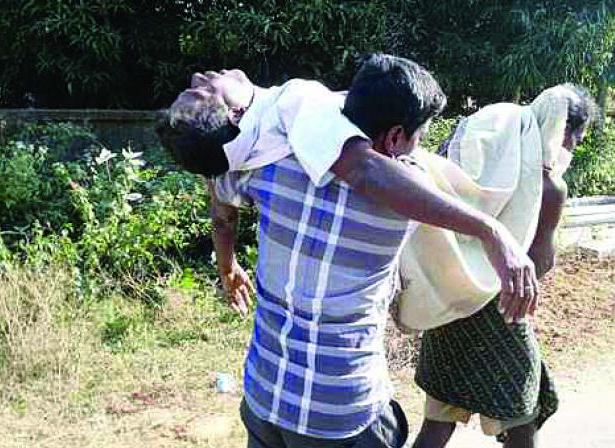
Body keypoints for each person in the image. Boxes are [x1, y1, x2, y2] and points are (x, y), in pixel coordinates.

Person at [156, 54, 540, 447]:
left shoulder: (264, 166)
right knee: (389, 429)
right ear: (394, 138)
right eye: (417, 136)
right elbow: (483, 189)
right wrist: (497, 233)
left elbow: (219, 201)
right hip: (340, 412)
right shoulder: (413, 190)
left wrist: (228, 266)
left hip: (264, 394)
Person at [411, 84, 597, 448]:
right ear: (563, 131)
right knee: (523, 415)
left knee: (438, 419)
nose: (573, 149)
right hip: (502, 312)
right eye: (576, 139)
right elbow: (539, 265)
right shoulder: (550, 187)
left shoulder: (489, 154)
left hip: (450, 299)